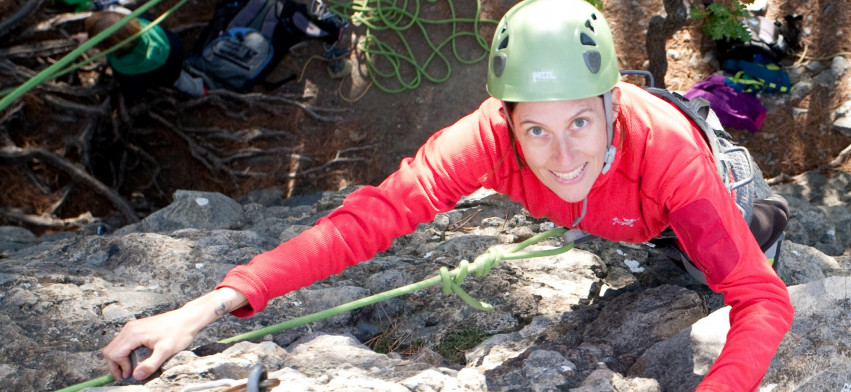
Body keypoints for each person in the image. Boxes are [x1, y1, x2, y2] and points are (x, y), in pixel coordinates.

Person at [101, 0, 793, 390]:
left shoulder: (662, 155)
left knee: (715, 268)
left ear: (614, 103)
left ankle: (761, 216)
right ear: (506, 119)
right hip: (630, 217)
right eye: (537, 130)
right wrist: (203, 309)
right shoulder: (486, 140)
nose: (562, 156)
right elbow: (368, 220)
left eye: (581, 121)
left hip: (709, 194)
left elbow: (761, 299)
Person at [84, 11, 205, 99]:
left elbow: (134, 89)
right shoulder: (141, 22)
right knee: (181, 77)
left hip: (167, 72)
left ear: (109, 47)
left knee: (179, 81)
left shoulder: (125, 67)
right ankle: (200, 89)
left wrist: (132, 96)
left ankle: (199, 92)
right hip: (173, 48)